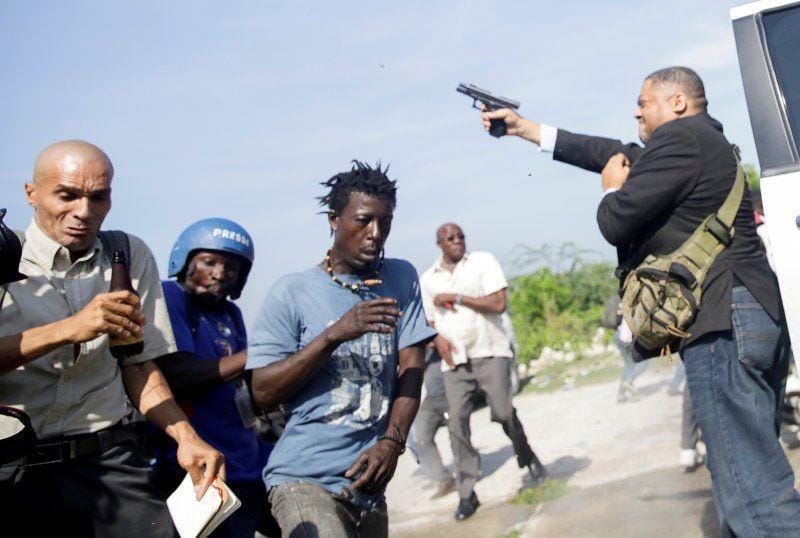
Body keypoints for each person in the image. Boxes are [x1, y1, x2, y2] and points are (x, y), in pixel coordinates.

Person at [483, 66, 799, 535]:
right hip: (752, 315)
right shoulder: (705, 145)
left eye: (642, 102)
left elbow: (618, 220)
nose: (635, 111)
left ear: (676, 103)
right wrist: (525, 129)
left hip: (721, 323)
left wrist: (611, 190)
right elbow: (612, 153)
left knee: (754, 493)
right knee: (742, 476)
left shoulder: (681, 141)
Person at [0, 140, 224, 536]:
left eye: (97, 197)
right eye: (67, 196)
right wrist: (70, 328)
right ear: (31, 194)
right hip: (16, 468)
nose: (83, 212)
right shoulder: (2, 258)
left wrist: (186, 437)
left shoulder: (127, 254)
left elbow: (138, 362)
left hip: (107, 461)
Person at [247, 161, 436, 537]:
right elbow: (262, 393)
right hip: (303, 480)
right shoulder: (292, 293)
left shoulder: (400, 278)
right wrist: (335, 334)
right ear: (335, 220)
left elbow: (412, 370)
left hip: (367, 484)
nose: (376, 234)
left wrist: (392, 442)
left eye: (386, 222)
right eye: (364, 220)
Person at [153, 218, 273, 537]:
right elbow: (178, 375)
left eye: (231, 267)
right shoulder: (170, 297)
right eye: (209, 262)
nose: (220, 273)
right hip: (202, 469)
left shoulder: (230, 314)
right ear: (185, 260)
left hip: (246, 461)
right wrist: (258, 353)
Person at [420, 223, 547, 521]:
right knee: (457, 424)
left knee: (503, 412)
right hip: (455, 361)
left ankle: (526, 456)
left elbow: (498, 303)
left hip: (490, 351)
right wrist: (439, 342)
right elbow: (430, 321)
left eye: (461, 236)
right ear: (439, 244)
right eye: (450, 239)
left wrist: (457, 297)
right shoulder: (428, 279)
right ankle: (467, 494)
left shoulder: (483, 262)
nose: (457, 242)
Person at [408, 346, 455, 499]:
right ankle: (444, 479)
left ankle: (466, 474)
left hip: (449, 393)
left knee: (458, 435)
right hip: (427, 400)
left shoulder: (439, 333)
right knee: (421, 439)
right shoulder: (414, 345)